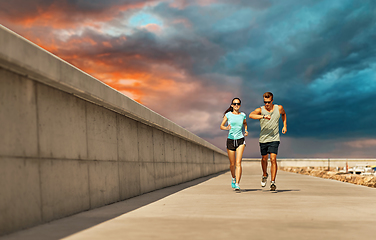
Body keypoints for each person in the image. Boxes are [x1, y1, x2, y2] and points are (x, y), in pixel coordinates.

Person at [249, 92, 287, 191]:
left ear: (272, 100)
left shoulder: (278, 108)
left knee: (273, 159)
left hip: (274, 138)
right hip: (263, 139)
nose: (267, 104)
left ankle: (273, 182)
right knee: (264, 159)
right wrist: (263, 116)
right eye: (265, 102)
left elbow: (284, 114)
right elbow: (251, 115)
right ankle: (265, 174)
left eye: (268, 102)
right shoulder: (260, 110)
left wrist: (284, 125)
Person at [220, 98, 248, 191]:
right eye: (235, 104)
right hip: (231, 140)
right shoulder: (228, 115)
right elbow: (221, 126)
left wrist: (246, 130)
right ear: (232, 105)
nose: (236, 105)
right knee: (232, 164)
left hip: (240, 140)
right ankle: (233, 178)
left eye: (238, 104)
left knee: (238, 163)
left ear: (240, 105)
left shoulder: (243, 115)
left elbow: (245, 123)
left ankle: (237, 184)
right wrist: (226, 128)